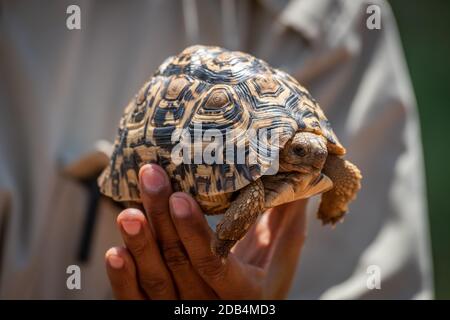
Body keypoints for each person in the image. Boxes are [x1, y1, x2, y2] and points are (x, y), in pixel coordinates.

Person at [0, 0, 433, 299]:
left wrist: (333, 204)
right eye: (302, 154)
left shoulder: (333, 19)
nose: (316, 160)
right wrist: (221, 246)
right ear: (282, 151)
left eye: (316, 151)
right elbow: (254, 193)